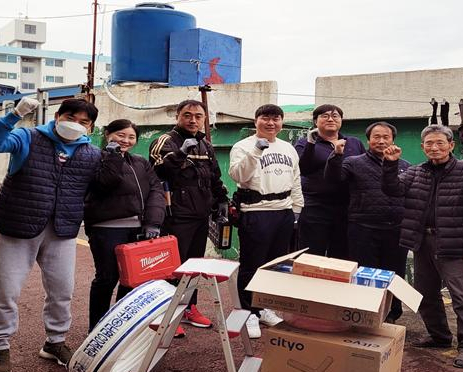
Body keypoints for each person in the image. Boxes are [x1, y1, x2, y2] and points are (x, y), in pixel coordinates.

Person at [0, 97, 102, 372]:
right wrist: (13, 116)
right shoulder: (27, 137)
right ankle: (0, 345)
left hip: (62, 230)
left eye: (84, 122)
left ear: (91, 127)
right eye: (71, 118)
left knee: (62, 290)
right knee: (6, 289)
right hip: (18, 225)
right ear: (57, 116)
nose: (76, 125)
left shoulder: (92, 154)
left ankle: (55, 342)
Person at [381, 124, 463, 369]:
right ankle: (440, 336)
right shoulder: (416, 172)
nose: (434, 148)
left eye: (440, 143)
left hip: (453, 243)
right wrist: (389, 165)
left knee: (462, 297)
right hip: (422, 241)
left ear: (451, 145)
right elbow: (393, 189)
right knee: (425, 293)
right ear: (422, 147)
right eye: (429, 144)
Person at [149, 99, 229, 333]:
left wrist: (222, 200)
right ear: (177, 116)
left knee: (193, 266)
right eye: (187, 115)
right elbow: (157, 172)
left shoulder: (206, 146)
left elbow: (215, 177)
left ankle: (188, 307)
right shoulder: (165, 141)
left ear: (204, 119)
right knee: (171, 267)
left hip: (200, 215)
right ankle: (165, 313)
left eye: (198, 116)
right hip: (174, 216)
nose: (193, 120)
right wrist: (181, 153)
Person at [229, 104, 304, 338]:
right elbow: (239, 176)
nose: (271, 123)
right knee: (252, 264)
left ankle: (265, 307)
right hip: (255, 210)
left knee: (274, 264)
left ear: (281, 123)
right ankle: (248, 311)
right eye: (265, 118)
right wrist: (256, 152)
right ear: (256, 121)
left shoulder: (288, 148)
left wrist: (297, 208)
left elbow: (296, 179)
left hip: (283, 211)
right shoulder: (243, 146)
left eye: (276, 119)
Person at [84, 119, 165, 331]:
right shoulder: (96, 157)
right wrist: (112, 157)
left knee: (132, 280)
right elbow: (104, 184)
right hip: (107, 229)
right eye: (120, 135)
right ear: (108, 134)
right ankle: (97, 329)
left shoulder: (140, 162)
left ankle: (120, 327)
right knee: (106, 278)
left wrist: (153, 223)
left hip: (138, 230)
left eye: (131, 137)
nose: (126, 140)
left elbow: (156, 191)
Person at [325, 121, 410, 322]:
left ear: (393, 140)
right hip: (362, 227)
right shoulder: (353, 162)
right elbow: (334, 179)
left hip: (396, 229)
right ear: (368, 140)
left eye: (386, 137)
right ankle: (364, 314)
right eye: (376, 137)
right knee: (365, 273)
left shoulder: (404, 165)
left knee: (395, 273)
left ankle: (391, 314)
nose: (381, 141)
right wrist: (336, 155)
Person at [294, 104, 366, 258]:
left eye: (335, 116)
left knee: (342, 256)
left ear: (341, 120)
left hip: (346, 208)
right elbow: (303, 168)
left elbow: (364, 168)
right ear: (315, 121)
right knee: (311, 255)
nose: (330, 119)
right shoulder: (304, 143)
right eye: (325, 116)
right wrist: (311, 144)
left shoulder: (354, 143)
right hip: (315, 207)